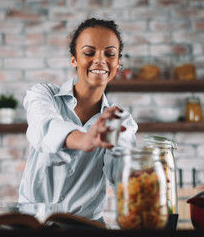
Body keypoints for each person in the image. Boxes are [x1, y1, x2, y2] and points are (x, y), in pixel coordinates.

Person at [18, 18, 138, 223]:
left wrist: (139, 172)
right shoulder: (44, 95)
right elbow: (43, 128)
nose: (100, 60)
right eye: (89, 53)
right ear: (74, 59)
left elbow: (121, 177)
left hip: (87, 227)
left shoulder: (119, 119)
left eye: (109, 54)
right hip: (32, 224)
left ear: (118, 63)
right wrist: (84, 140)